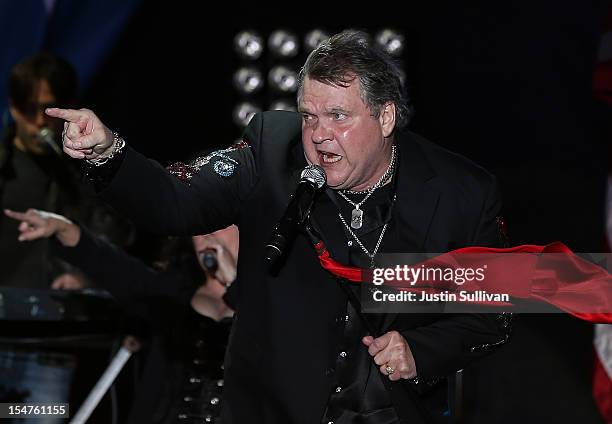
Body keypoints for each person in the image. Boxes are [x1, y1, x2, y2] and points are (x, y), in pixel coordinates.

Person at [46, 30, 511, 424]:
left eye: (338, 116)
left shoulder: (461, 192)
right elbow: (175, 201)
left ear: (385, 116)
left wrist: (421, 350)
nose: (319, 134)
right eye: (309, 115)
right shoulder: (271, 152)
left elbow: (493, 311)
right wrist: (109, 154)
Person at [4, 208, 237, 423]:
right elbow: (116, 269)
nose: (207, 235)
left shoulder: (267, 307)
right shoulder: (174, 294)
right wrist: (62, 228)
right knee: (19, 409)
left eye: (221, 225)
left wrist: (237, 286)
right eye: (200, 227)